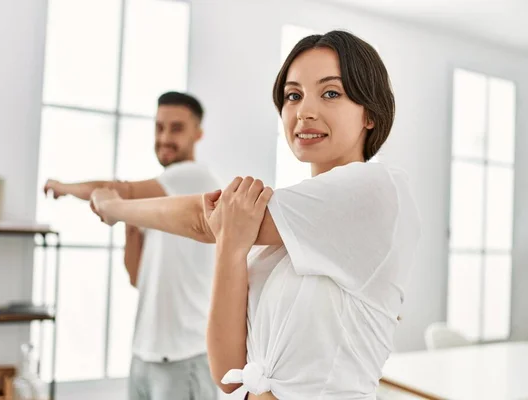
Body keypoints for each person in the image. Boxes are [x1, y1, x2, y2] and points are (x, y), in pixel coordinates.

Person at [89, 30, 421, 400]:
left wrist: (114, 207)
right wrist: (231, 248)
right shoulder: (268, 248)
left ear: (370, 114)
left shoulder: (375, 187)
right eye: (293, 95)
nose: (304, 111)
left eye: (330, 93)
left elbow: (204, 219)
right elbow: (230, 376)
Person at [43, 92, 221, 400]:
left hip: (183, 356)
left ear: (198, 133)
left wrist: (64, 187)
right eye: (159, 127)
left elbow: (118, 190)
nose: (164, 137)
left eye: (176, 128)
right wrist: (130, 218)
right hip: (144, 355)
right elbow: (136, 275)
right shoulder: (161, 192)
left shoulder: (193, 177)